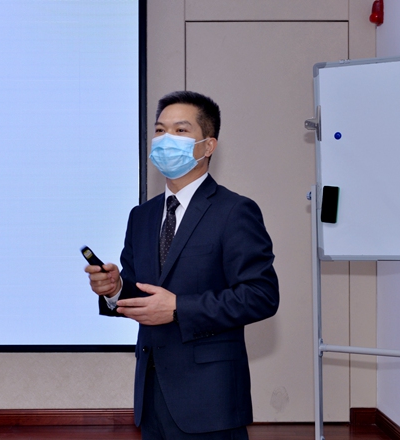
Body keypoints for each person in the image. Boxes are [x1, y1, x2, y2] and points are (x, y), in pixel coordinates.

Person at [85, 91, 279, 439]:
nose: (165, 140)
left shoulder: (234, 211)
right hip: (152, 394)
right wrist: (114, 290)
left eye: (180, 130)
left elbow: (261, 295)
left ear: (208, 146)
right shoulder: (142, 216)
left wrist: (178, 308)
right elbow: (141, 294)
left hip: (211, 399)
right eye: (160, 130)